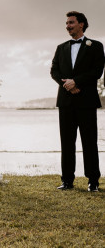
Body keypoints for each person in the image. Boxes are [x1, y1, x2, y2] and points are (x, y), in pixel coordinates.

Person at [50, 11, 104, 192]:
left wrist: (77, 82)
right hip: (65, 102)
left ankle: (93, 181)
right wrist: (68, 85)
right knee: (66, 142)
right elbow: (54, 71)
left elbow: (97, 71)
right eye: (66, 23)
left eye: (71, 23)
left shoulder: (95, 46)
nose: (68, 26)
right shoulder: (61, 47)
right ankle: (67, 181)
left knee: (89, 141)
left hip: (86, 101)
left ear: (81, 24)